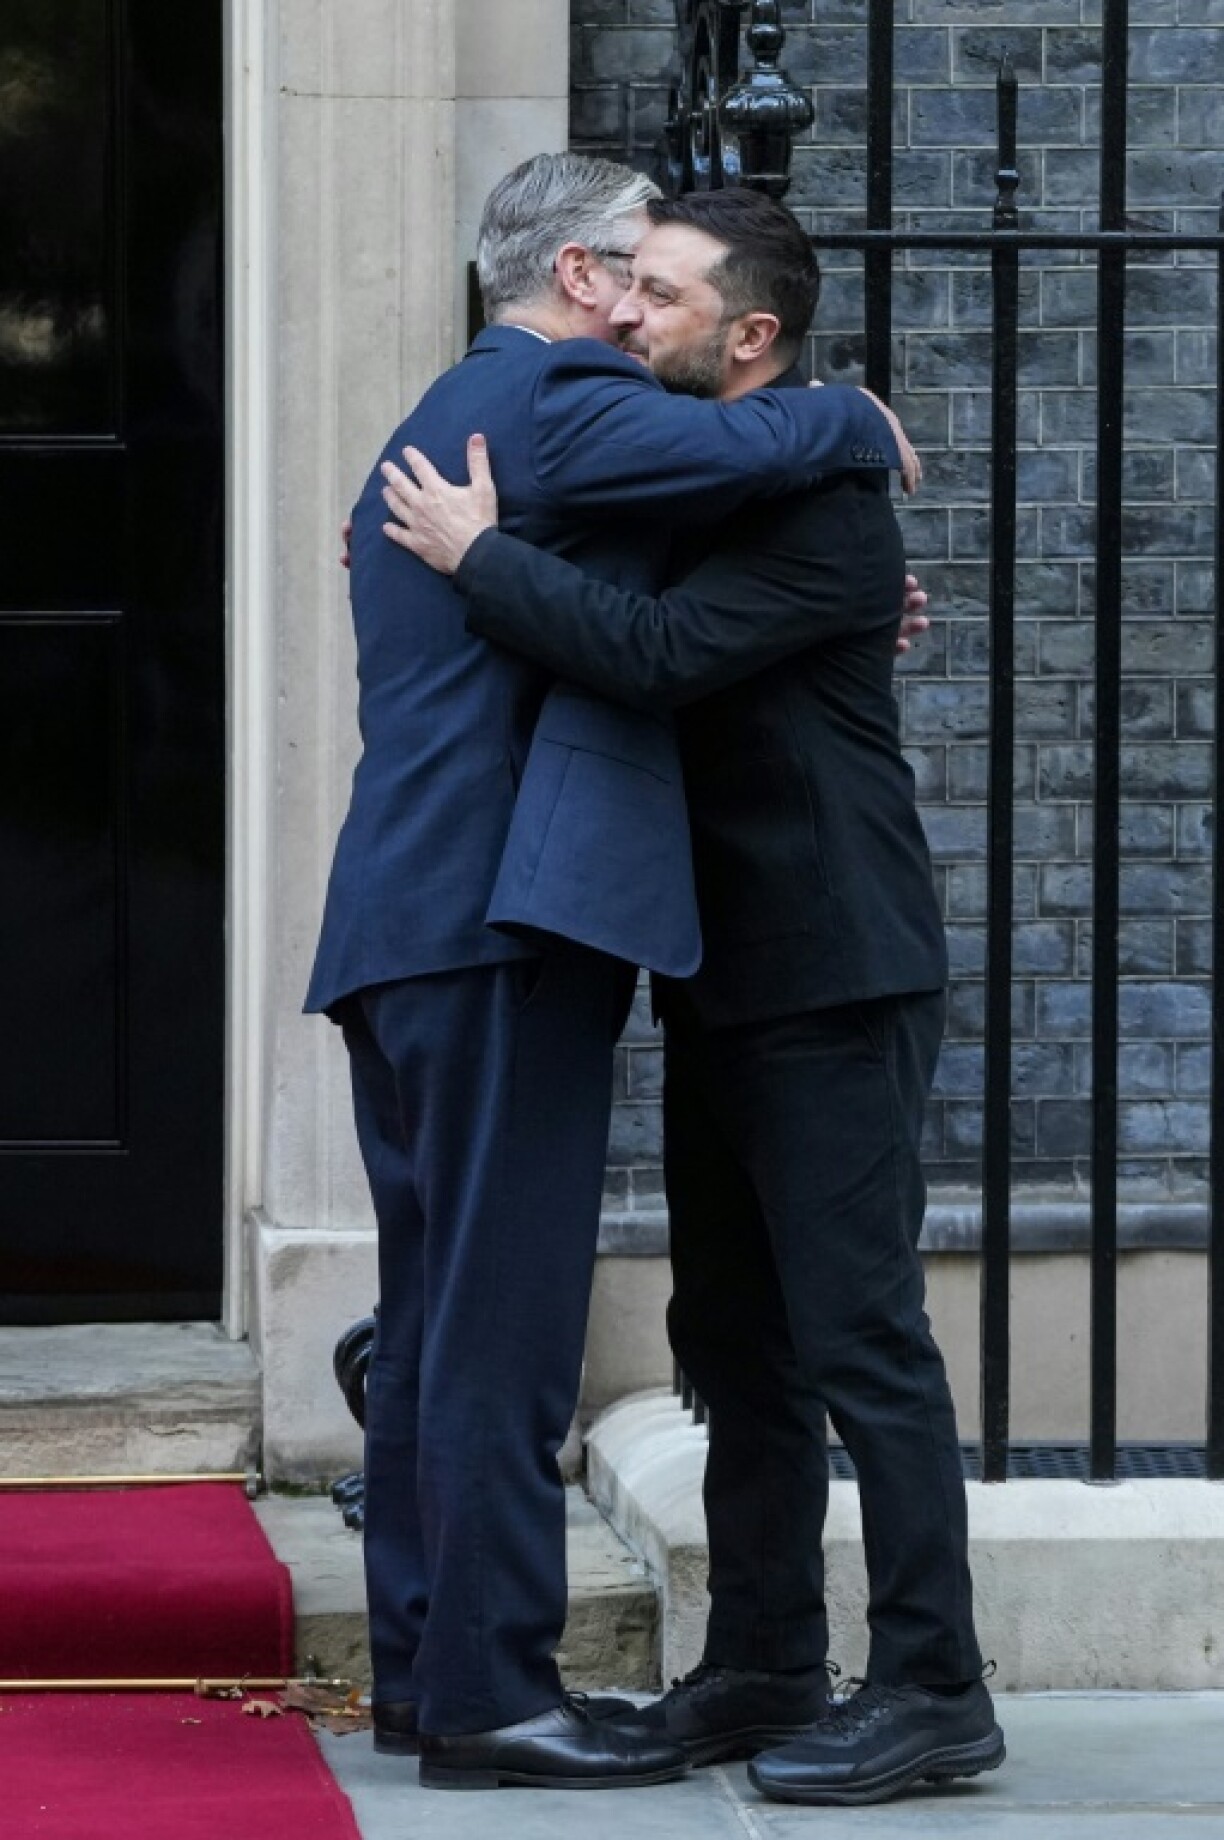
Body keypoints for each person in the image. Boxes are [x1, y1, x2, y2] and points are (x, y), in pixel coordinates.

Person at [379, 186, 1005, 1808]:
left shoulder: (820, 500)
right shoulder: (724, 475)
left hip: (835, 967)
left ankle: (936, 1685)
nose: (624, 313)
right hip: (725, 972)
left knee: (860, 1334)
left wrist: (481, 556)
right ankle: (764, 1663)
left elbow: (650, 653)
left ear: (752, 336)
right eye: (625, 283)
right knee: (732, 1342)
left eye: (660, 295)